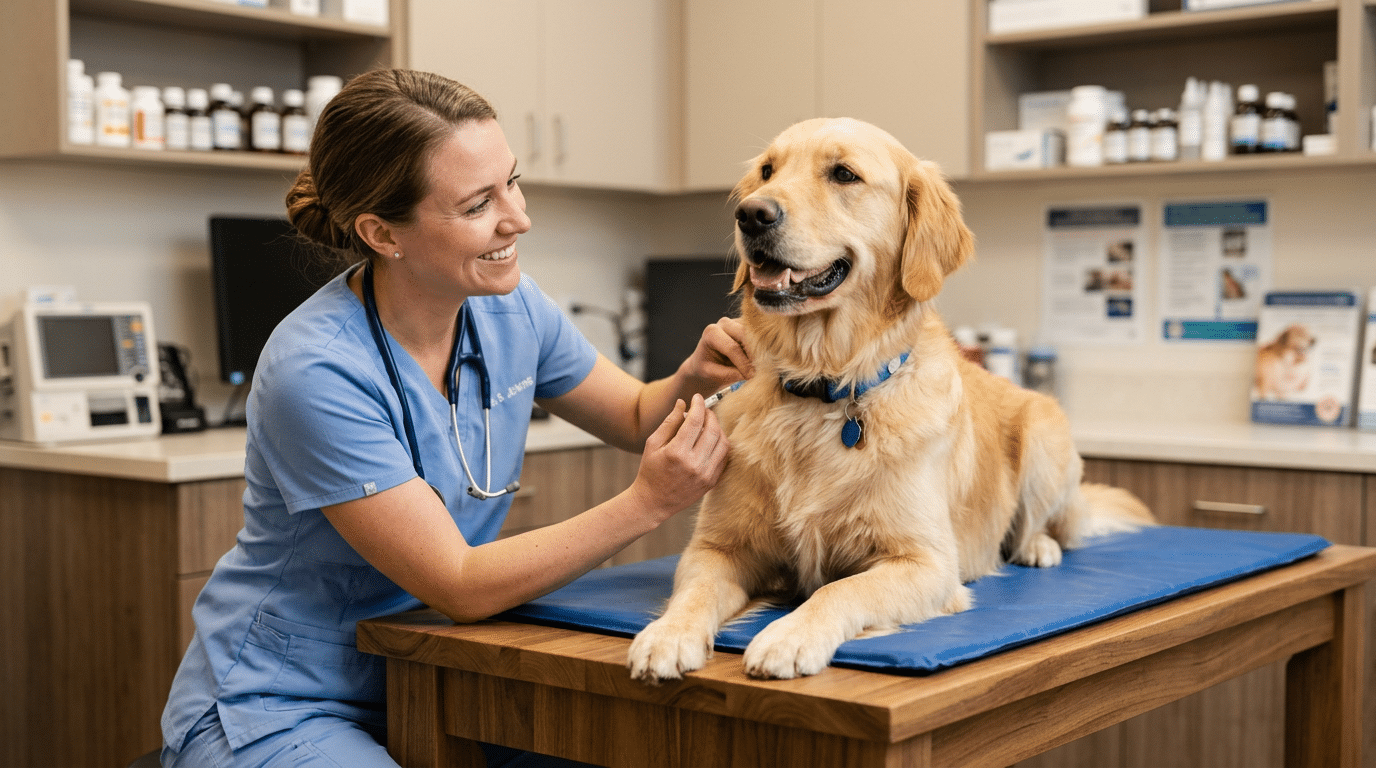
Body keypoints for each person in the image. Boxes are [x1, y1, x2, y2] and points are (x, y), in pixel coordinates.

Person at [160, 68, 752, 767]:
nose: (519, 218)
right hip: (284, 702)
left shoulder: (512, 305)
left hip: (437, 670)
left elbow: (630, 414)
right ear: (382, 232)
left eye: (513, 181)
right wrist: (647, 503)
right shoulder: (315, 371)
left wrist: (690, 377)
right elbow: (459, 584)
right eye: (478, 204)